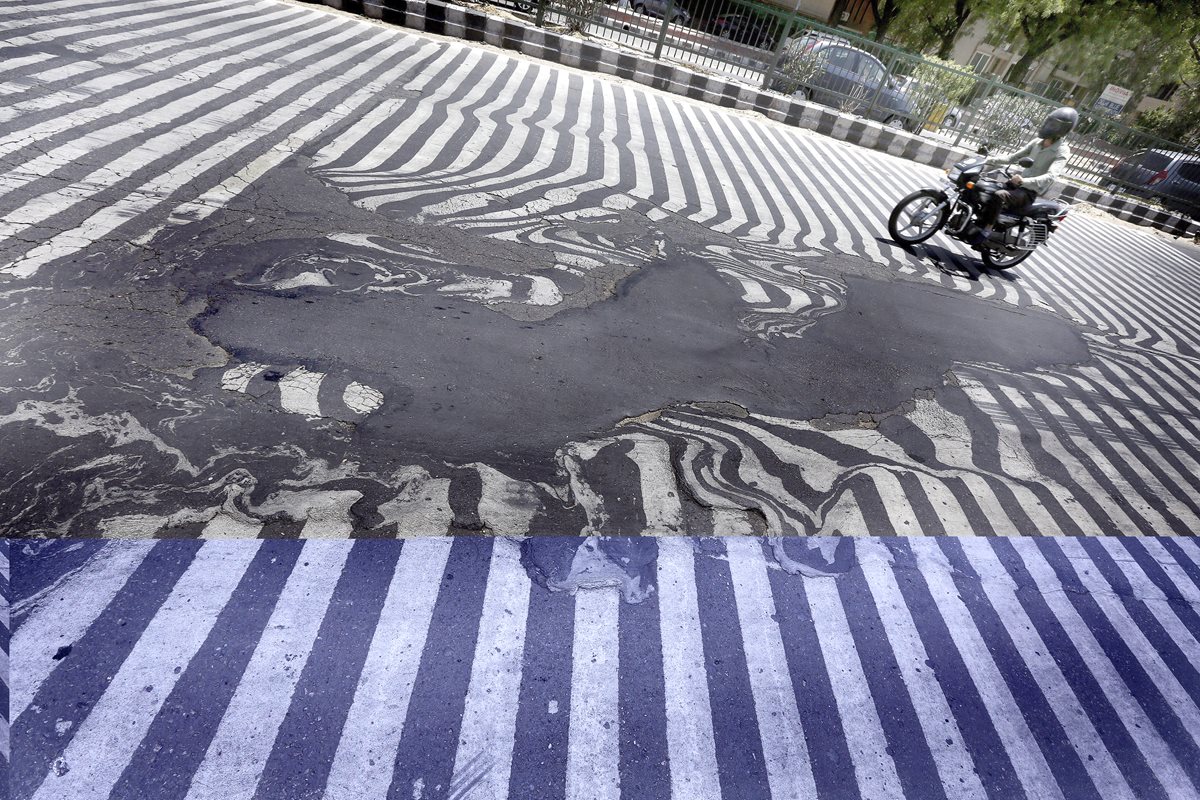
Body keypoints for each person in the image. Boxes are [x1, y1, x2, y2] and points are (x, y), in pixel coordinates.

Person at [968, 106, 1078, 246]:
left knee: (999, 195)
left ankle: (986, 230)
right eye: (1049, 121)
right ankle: (976, 222)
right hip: (1016, 185)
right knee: (982, 186)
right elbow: (1012, 158)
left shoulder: (1062, 150)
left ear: (1063, 129)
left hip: (1028, 192)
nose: (1048, 125)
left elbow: (1051, 176)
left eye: (1054, 124)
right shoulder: (1037, 142)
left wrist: (1024, 180)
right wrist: (986, 159)